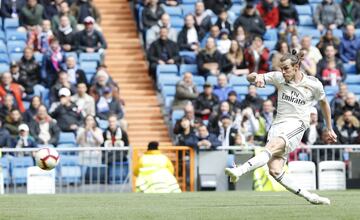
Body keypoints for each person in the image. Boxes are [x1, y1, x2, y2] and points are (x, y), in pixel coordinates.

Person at [225, 49, 337, 205]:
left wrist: (329, 127)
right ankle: (310, 196)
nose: (283, 72)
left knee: (271, 147)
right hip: (277, 125)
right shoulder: (279, 78)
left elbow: (324, 104)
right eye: (281, 68)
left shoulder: (313, 84)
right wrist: (255, 77)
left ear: (297, 67)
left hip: (297, 124)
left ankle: (239, 171)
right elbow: (249, 78)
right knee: (275, 169)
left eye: (286, 68)